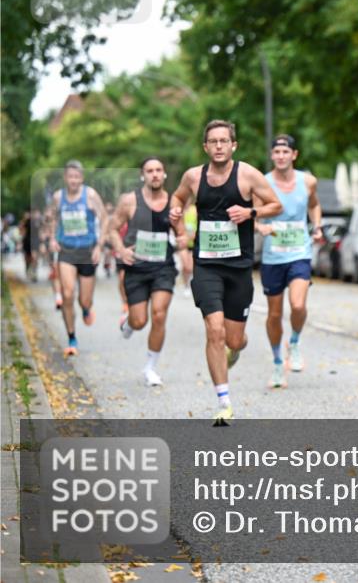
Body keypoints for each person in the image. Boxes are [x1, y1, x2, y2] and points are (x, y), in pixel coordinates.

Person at [169, 119, 282, 425]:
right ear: (205, 147)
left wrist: (250, 212)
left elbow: (275, 205)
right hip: (206, 265)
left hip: (239, 268)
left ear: (234, 145)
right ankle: (224, 402)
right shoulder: (193, 177)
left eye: (224, 141)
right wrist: (176, 212)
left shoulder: (248, 175)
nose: (218, 146)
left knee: (234, 339)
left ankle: (237, 348)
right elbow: (177, 197)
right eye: (213, 142)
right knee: (214, 330)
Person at [255, 134, 323, 388]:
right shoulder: (263, 182)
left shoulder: (308, 181)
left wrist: (317, 225)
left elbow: (314, 205)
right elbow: (254, 213)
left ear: (294, 155)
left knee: (298, 304)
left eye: (285, 152)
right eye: (277, 152)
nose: (281, 156)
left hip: (299, 252)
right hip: (273, 256)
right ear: (272, 155)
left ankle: (293, 342)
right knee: (274, 314)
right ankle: (276, 363)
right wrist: (259, 226)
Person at [109, 157, 179, 387]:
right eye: (150, 171)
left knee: (159, 314)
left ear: (164, 174)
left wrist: (184, 242)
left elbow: (183, 232)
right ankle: (130, 323)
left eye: (159, 170)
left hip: (163, 267)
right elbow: (112, 229)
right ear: (142, 175)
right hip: (137, 268)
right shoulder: (129, 201)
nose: (155, 174)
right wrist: (121, 250)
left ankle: (150, 367)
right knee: (140, 321)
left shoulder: (173, 202)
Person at [45, 160, 107, 356]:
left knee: (84, 300)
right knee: (67, 293)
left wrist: (99, 246)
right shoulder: (58, 197)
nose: (73, 180)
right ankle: (71, 337)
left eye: (77, 177)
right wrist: (52, 238)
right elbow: (51, 218)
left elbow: (105, 219)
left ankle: (86, 308)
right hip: (67, 251)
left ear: (82, 178)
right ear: (65, 178)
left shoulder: (90, 195)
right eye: (70, 177)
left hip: (87, 251)